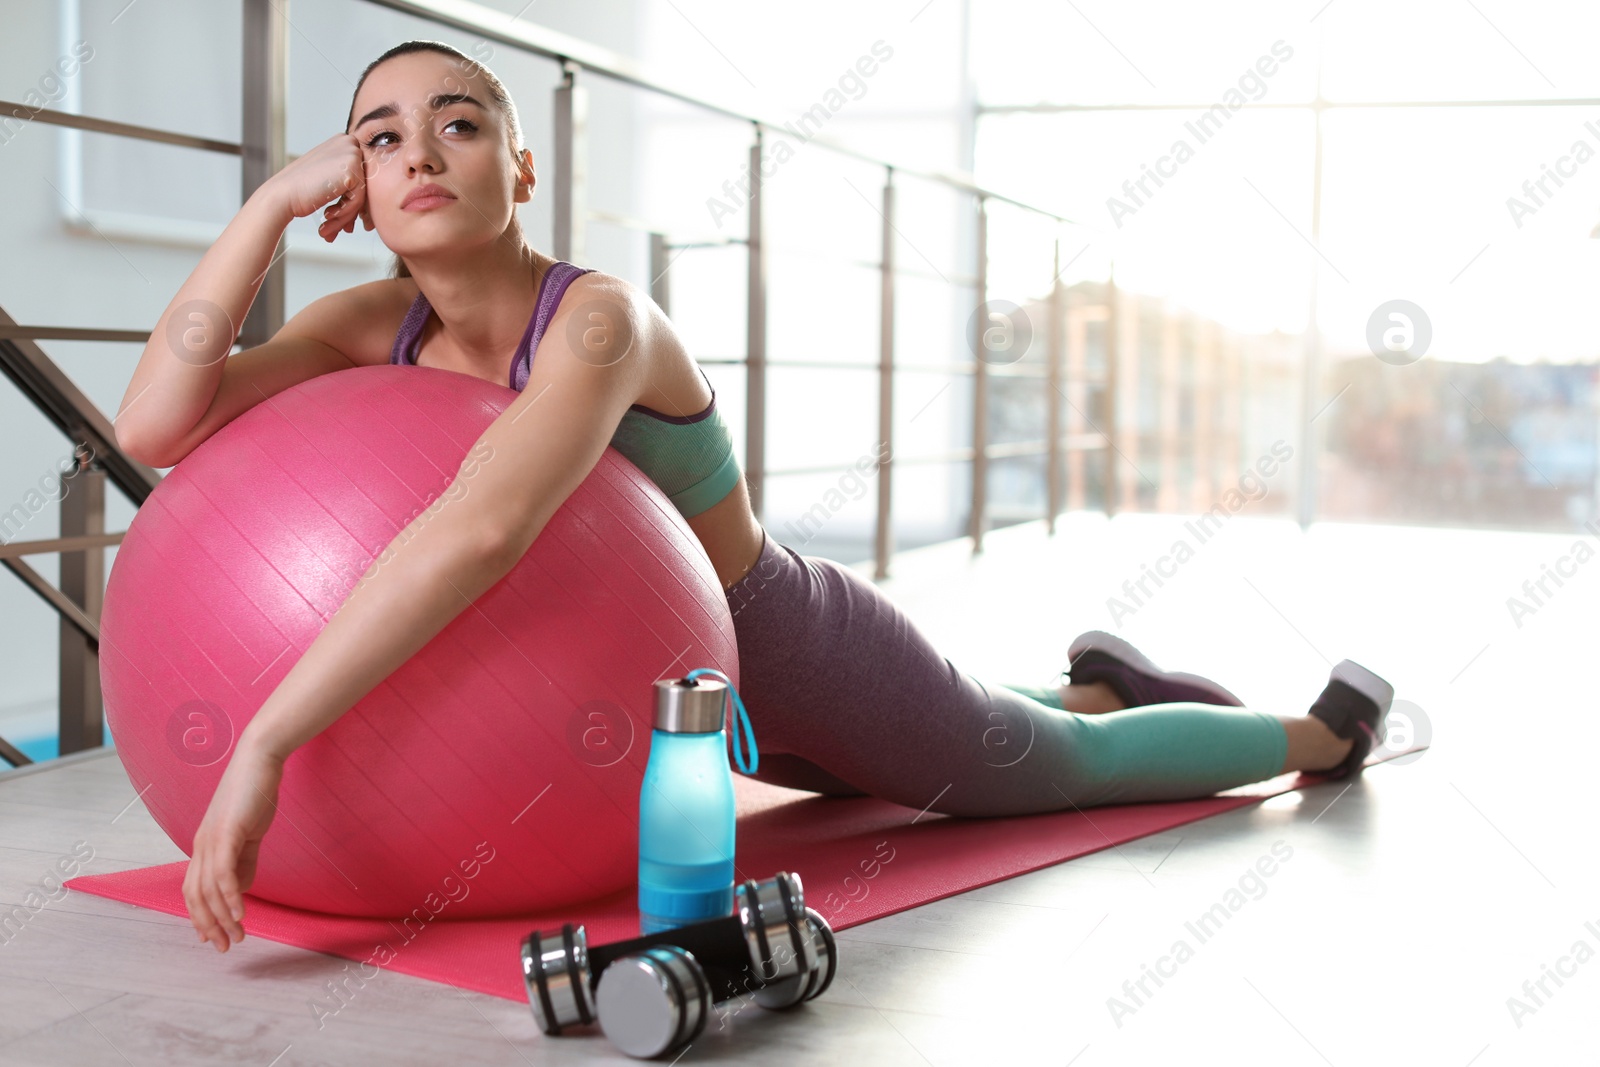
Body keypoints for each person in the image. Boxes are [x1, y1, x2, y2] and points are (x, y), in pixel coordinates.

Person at [112, 41, 1395, 956]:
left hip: (777, 640)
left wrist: (267, 740)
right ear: (359, 186)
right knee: (890, 773)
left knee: (1045, 770)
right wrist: (271, 205)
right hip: (628, 695)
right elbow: (155, 424)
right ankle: (1097, 673)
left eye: (457, 122)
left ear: (521, 167)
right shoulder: (368, 321)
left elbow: (483, 523)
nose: (418, 153)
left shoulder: (600, 320)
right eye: (379, 137)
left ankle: (1319, 733)